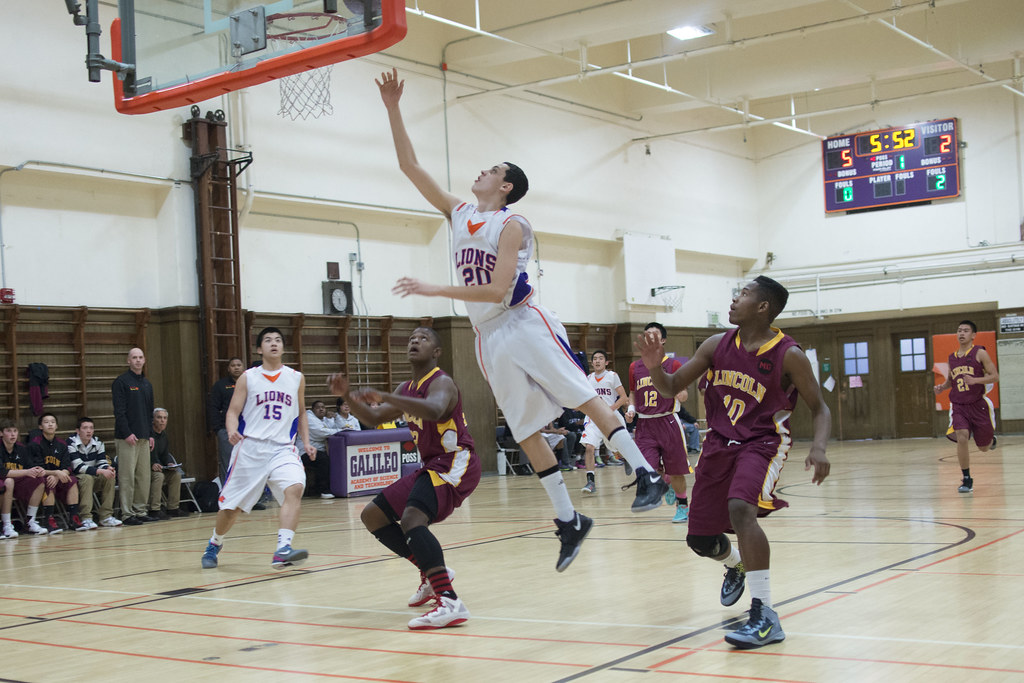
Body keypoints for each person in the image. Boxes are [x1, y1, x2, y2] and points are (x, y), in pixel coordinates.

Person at [376, 67, 668, 570]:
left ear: (505, 184)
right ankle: (568, 520)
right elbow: (409, 165)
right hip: (488, 336)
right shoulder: (459, 211)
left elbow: (497, 288)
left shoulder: (513, 223)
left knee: (580, 394)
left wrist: (434, 288)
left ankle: (647, 474)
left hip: (523, 320)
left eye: (491, 169)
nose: (481, 172)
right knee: (526, 428)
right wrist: (392, 107)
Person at [635, 276, 831, 650]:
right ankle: (736, 563)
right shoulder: (716, 345)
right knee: (699, 539)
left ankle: (764, 613)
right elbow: (671, 384)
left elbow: (820, 408)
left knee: (743, 509)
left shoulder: (788, 354)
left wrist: (819, 448)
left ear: (763, 307)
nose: (734, 299)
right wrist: (654, 366)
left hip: (763, 442)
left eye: (743, 294)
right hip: (718, 445)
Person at [328, 327, 481, 630]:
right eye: (412, 337)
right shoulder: (406, 388)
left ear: (436, 351)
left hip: (456, 463)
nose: (415, 340)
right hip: (432, 466)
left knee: (413, 518)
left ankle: (449, 601)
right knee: (373, 515)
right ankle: (431, 572)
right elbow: (372, 418)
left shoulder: (442, 382)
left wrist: (386, 395)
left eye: (424, 337)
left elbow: (436, 410)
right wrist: (346, 395)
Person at [201, 327, 317, 570]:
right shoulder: (248, 377)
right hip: (250, 448)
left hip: (283, 448)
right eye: (268, 340)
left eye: (277, 340)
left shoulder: (296, 377)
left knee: (295, 488)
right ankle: (215, 542)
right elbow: (233, 411)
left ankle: (283, 548)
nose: (273, 343)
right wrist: (232, 429)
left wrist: (306, 442)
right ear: (259, 348)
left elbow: (301, 413)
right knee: (231, 509)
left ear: (283, 347)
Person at [626, 323, 693, 523]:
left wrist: (680, 393)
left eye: (654, 335)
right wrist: (631, 409)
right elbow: (632, 393)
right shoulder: (634, 367)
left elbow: (684, 394)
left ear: (662, 340)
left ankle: (682, 507)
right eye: (646, 335)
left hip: (668, 422)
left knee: (677, 471)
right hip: (645, 425)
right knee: (647, 468)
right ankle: (665, 481)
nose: (650, 339)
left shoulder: (673, 365)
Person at [933, 319, 999, 493]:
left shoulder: (980, 353)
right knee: (961, 435)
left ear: (973, 335)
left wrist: (975, 380)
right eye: (959, 330)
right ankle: (967, 478)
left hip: (978, 405)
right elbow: (951, 382)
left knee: (983, 447)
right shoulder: (952, 358)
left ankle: (991, 441)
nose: (961, 333)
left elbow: (994, 376)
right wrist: (941, 388)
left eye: (966, 330)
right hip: (959, 405)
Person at [111, 347, 156, 525]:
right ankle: (127, 513)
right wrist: (127, 433)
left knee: (143, 477)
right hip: (127, 438)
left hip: (144, 437)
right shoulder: (121, 382)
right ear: (128, 361)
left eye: (140, 357)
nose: (137, 360)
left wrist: (151, 434)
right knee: (127, 476)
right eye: (134, 357)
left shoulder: (147, 384)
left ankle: (140, 510)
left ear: (144, 360)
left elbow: (149, 411)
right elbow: (119, 412)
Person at [580, 350, 628, 493]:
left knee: (617, 448)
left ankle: (624, 457)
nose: (597, 361)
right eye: (595, 359)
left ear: (606, 362)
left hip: (610, 417)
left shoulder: (612, 376)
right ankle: (590, 482)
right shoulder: (588, 378)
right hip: (593, 417)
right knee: (589, 447)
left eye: (601, 358)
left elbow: (624, 397)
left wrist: (610, 408)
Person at [29, 413, 87, 533]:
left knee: (72, 480)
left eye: (53, 422)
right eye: (46, 422)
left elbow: (67, 466)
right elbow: (37, 469)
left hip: (58, 476)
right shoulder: (35, 444)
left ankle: (74, 517)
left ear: (57, 426)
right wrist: (55, 473)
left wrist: (60, 474)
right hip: (41, 478)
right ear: (40, 426)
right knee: (48, 481)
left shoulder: (62, 444)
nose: (50, 424)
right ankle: (48, 519)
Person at [67, 416, 120, 529]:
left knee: (109, 476)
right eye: (85, 428)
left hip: (93, 474)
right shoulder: (70, 443)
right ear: (77, 431)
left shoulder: (98, 442)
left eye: (91, 428)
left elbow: (102, 461)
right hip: (77, 479)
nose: (89, 431)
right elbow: (78, 467)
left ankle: (106, 516)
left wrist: (107, 468)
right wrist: (101, 470)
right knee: (87, 478)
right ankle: (86, 517)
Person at [0, 419, 47, 535]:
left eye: (15, 431)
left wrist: (38, 470)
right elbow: (3, 473)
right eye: (8, 431)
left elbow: (30, 467)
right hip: (3, 482)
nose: (12, 434)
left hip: (17, 483)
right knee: (9, 481)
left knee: (40, 481)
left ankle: (30, 521)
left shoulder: (21, 448)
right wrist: (27, 472)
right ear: (1, 433)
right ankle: (6, 524)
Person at [208, 357, 245, 485]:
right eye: (233, 365)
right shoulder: (220, 385)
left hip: (248, 431)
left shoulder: (249, 384)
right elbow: (213, 407)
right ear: (228, 369)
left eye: (239, 365)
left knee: (248, 462)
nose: (236, 367)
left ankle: (252, 499)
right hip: (227, 431)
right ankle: (227, 495)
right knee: (228, 462)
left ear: (243, 367)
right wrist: (218, 429)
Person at [149, 408, 184, 518]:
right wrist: (152, 464)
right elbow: (143, 456)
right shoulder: (148, 435)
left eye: (165, 418)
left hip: (161, 467)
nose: (162, 421)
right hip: (147, 470)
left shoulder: (164, 435)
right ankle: (154, 510)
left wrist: (169, 463)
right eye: (159, 417)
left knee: (176, 475)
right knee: (159, 476)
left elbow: (165, 455)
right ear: (153, 420)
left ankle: (173, 508)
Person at [303, 400, 336, 499]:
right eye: (318, 407)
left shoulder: (322, 419)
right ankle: (324, 490)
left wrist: (331, 420)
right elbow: (321, 433)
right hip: (305, 452)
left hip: (318, 451)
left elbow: (332, 428)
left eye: (323, 407)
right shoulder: (309, 418)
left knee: (329, 457)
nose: (321, 409)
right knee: (323, 459)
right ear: (312, 410)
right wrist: (340, 430)